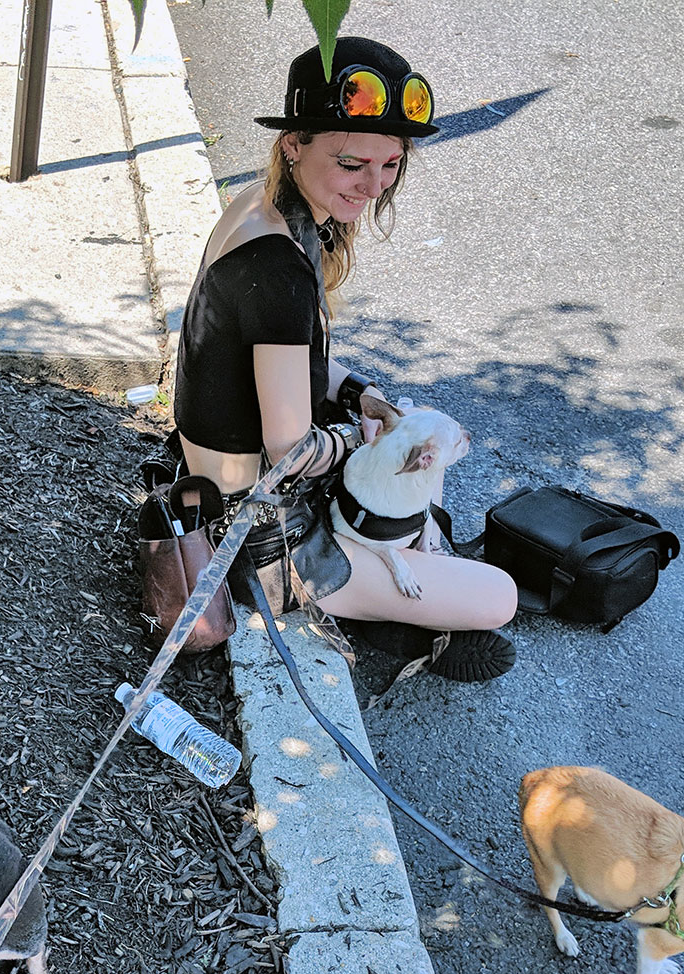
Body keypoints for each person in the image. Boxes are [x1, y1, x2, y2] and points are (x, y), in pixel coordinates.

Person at [172, 37, 519, 680]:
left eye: (391, 164)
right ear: (294, 143)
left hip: (228, 479)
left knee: (414, 428)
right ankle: (394, 625)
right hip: (263, 535)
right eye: (354, 162)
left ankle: (414, 585)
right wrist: (355, 441)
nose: (374, 184)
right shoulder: (278, 270)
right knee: (500, 596)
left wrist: (364, 397)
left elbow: (288, 363)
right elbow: (290, 453)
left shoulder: (263, 207)